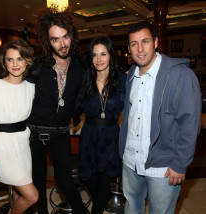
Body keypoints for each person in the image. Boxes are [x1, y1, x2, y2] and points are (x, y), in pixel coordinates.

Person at [119, 21, 201, 214]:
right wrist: (123, 153)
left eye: (145, 41)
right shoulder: (131, 74)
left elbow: (190, 124)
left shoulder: (180, 75)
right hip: (131, 161)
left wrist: (180, 164)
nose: (140, 49)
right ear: (129, 48)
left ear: (155, 42)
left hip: (163, 168)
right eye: (134, 44)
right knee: (132, 208)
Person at [26, 8, 88, 214]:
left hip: (61, 132)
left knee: (66, 183)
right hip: (34, 134)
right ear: (47, 41)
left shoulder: (80, 67)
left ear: (72, 35)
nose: (62, 44)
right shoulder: (36, 66)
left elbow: (88, 90)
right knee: (38, 183)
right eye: (55, 39)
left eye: (65, 37)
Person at [0, 39, 38, 214]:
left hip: (22, 145)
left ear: (27, 61)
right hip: (1, 146)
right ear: (4, 62)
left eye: (19, 59)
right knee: (32, 196)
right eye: (10, 59)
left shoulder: (30, 87)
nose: (15, 64)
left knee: (17, 192)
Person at [78, 37, 126, 214]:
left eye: (103, 54)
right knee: (90, 179)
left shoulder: (122, 80)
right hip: (89, 135)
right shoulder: (85, 79)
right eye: (94, 55)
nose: (99, 59)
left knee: (105, 179)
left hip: (111, 136)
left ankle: (96, 210)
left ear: (111, 55)